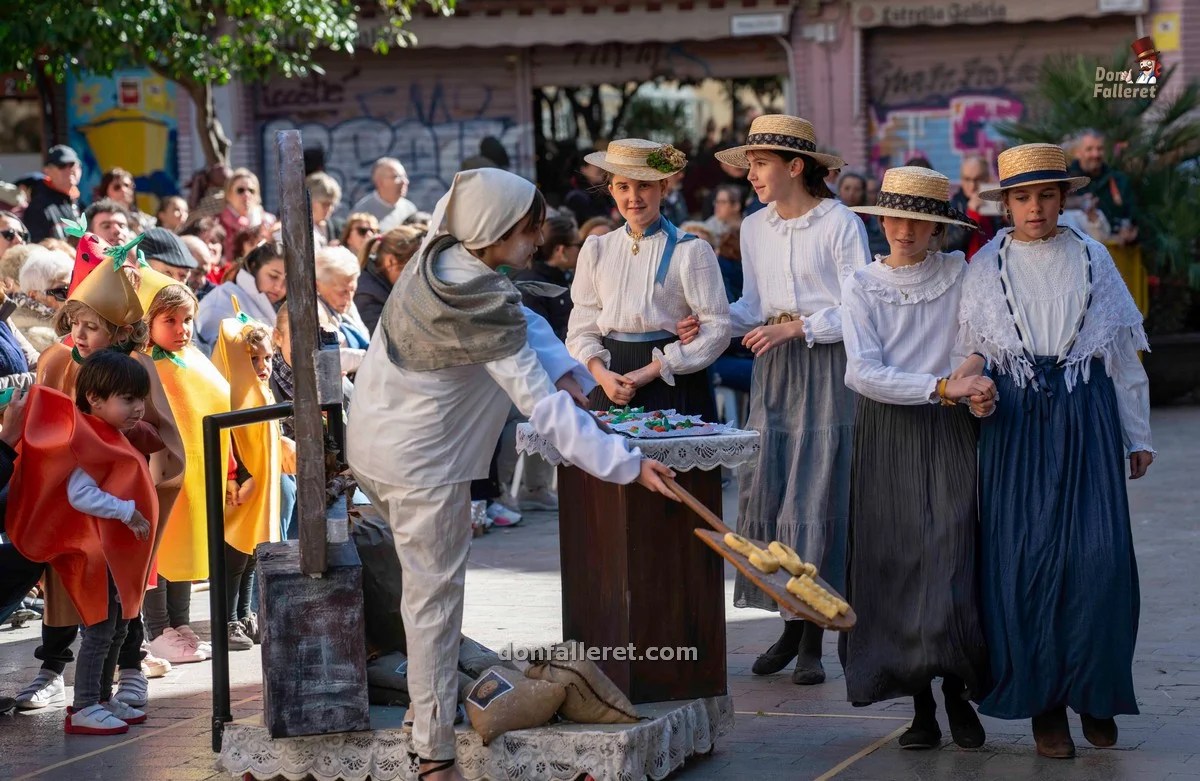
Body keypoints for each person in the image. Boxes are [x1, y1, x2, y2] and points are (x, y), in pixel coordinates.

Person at [346, 167, 678, 781]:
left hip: (377, 444)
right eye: (527, 232)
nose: (535, 241)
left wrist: (576, 376)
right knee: (434, 605)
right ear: (495, 232)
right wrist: (626, 465)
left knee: (425, 598)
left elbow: (523, 321)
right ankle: (432, 750)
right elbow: (542, 407)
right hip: (424, 467)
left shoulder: (440, 255)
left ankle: (427, 710)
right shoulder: (478, 302)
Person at [956, 143, 1153, 759]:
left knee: (1099, 559)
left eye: (1045, 195)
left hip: (1086, 413)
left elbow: (1121, 354)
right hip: (1015, 420)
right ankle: (1044, 707)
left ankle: (1095, 693)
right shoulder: (987, 266)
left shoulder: (1094, 257)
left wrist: (1137, 432)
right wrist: (973, 395)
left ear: (1063, 198)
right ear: (1006, 204)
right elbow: (974, 352)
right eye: (1021, 197)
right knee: (1023, 561)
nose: (1034, 207)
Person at [698, 115, 869, 685]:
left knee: (815, 488)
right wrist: (707, 325)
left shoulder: (840, 224)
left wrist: (796, 330)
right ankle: (790, 625)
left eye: (761, 163)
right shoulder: (754, 228)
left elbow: (860, 310)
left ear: (796, 167)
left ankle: (814, 634)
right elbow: (751, 305)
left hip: (825, 364)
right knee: (770, 487)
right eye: (749, 164)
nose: (751, 175)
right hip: (773, 370)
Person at [839, 166, 994, 749]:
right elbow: (862, 371)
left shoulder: (960, 272)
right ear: (880, 220)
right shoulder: (861, 283)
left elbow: (976, 338)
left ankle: (957, 688)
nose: (904, 230)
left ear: (937, 230)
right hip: (889, 428)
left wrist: (971, 371)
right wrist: (938, 387)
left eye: (919, 222)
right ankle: (921, 703)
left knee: (951, 557)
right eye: (895, 217)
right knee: (896, 565)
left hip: (951, 429)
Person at [17, 248, 184, 712]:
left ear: (117, 329)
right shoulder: (55, 361)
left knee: (122, 592)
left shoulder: (138, 368)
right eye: (75, 323)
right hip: (69, 500)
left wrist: (141, 469)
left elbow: (163, 438)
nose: (80, 334)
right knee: (61, 589)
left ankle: (130, 668)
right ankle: (52, 669)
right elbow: (39, 429)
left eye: (92, 326)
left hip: (116, 509)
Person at [7, 353, 160, 734]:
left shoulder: (107, 433)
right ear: (94, 398)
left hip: (117, 557)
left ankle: (102, 698)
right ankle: (85, 705)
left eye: (140, 398)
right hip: (98, 557)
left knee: (119, 628)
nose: (138, 407)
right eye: (128, 399)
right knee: (100, 630)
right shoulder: (84, 437)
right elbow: (80, 494)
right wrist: (127, 511)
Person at [567, 139, 730, 416]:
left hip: (674, 376)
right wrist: (600, 374)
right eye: (623, 187)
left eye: (644, 185)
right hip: (609, 378)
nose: (634, 197)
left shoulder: (691, 250)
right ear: (611, 191)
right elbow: (582, 326)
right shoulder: (597, 249)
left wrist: (653, 370)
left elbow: (718, 328)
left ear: (663, 188)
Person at [139, 270, 231, 663]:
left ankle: (179, 621)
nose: (182, 329)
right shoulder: (142, 362)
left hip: (196, 467)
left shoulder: (190, 357)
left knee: (186, 543)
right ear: (149, 323)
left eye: (187, 319)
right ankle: (156, 627)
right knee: (160, 549)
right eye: (170, 321)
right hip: (161, 471)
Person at [212, 308, 285, 650]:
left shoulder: (261, 390)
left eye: (267, 358)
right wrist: (238, 475)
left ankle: (244, 614)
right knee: (234, 555)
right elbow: (226, 439)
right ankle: (225, 620)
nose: (263, 366)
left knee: (253, 552)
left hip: (263, 487)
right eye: (254, 359)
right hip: (241, 487)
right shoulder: (231, 394)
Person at [196, 242, 286, 352]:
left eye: (287, 282)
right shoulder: (222, 302)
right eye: (273, 276)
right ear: (254, 267)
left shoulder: (277, 308)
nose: (279, 287)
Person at [512, 215, 579, 341]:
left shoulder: (564, 276)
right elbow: (542, 338)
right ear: (561, 250)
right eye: (578, 244)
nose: (581, 249)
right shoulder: (531, 287)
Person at [1067, 129, 1137, 245]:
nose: (1095, 154)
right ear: (1077, 152)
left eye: (1099, 149)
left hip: (1119, 251)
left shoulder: (1119, 180)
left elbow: (1132, 213)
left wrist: (1130, 229)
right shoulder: (1067, 182)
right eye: (1089, 149)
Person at [354, 225, 424, 335]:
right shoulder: (366, 294)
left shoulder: (382, 285)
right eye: (414, 267)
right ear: (390, 261)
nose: (419, 275)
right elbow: (383, 340)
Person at [314, 246, 371, 374]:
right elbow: (328, 359)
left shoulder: (346, 304)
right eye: (342, 292)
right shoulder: (312, 313)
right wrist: (371, 357)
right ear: (317, 285)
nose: (349, 298)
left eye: (353, 290)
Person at [944, 156, 1003, 260]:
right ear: (961, 180)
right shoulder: (953, 206)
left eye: (977, 179)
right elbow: (949, 245)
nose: (972, 186)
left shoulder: (996, 203)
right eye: (967, 179)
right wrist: (970, 216)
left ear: (987, 178)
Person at [24, 146, 83, 243]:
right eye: (62, 165)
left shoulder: (79, 202)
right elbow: (38, 247)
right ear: (47, 171)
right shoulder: (39, 206)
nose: (69, 170)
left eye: (72, 164)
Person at [218, 169, 276, 264]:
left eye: (251, 191)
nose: (246, 195)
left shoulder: (269, 222)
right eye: (240, 190)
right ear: (228, 195)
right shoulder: (217, 223)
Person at [352, 158, 417, 229]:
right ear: (380, 182)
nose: (405, 181)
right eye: (397, 177)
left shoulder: (410, 209)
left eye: (404, 176)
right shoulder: (363, 212)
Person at [837, 171, 889, 258]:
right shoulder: (831, 218)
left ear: (863, 192)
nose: (851, 193)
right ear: (839, 190)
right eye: (847, 188)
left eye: (857, 189)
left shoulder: (873, 223)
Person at [562, 150, 614, 223]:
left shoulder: (602, 192)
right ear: (583, 169)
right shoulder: (577, 197)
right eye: (596, 162)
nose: (602, 166)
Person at [96, 168, 152, 233]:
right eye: (117, 187)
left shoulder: (148, 221)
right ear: (105, 193)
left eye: (127, 186)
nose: (123, 190)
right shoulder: (96, 220)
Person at [307, 172, 343, 249]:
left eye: (331, 204)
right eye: (325, 204)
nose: (329, 208)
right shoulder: (299, 229)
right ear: (310, 202)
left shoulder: (338, 227)